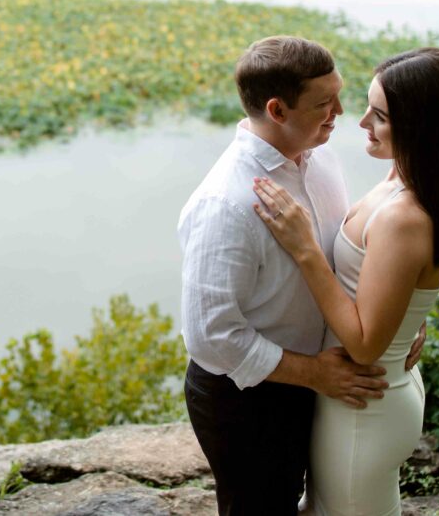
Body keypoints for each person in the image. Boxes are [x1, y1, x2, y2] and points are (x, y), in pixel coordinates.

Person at [178, 36, 423, 516]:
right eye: (323, 103)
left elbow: (348, 263)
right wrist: (315, 374)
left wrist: (403, 317)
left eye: (338, 94)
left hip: (320, 381)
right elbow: (211, 337)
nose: (342, 111)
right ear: (277, 109)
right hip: (249, 398)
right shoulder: (225, 202)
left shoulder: (322, 159)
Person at [251, 47, 439, 516]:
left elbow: (363, 345)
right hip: (372, 395)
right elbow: (394, 288)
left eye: (378, 115)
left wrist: (305, 248)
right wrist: (407, 324)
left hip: (364, 408)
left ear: (422, 127)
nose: (360, 122)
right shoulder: (405, 183)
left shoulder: (405, 217)